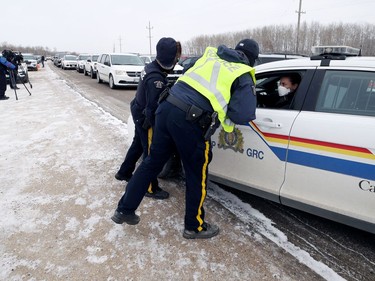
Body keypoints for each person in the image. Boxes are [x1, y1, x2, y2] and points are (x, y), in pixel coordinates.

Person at [111, 38, 259, 239]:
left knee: (151, 162)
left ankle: (124, 209)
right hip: (191, 119)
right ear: (253, 60)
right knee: (196, 173)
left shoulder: (212, 56)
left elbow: (192, 75)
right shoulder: (242, 74)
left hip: (166, 107)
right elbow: (242, 115)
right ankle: (194, 226)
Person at [114, 37, 181, 200]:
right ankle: (150, 188)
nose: (177, 60)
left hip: (138, 109)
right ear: (169, 58)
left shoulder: (151, 67)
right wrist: (154, 126)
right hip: (145, 117)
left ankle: (124, 172)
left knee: (137, 145)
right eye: (175, 57)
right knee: (150, 152)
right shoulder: (156, 79)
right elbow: (153, 108)